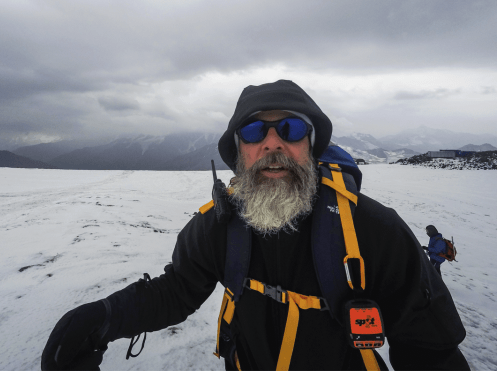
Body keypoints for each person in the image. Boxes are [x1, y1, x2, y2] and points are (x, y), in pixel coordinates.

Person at [42, 80, 469, 370]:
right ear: (238, 153)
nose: (272, 142)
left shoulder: (373, 232)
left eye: (290, 127)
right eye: (253, 131)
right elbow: (175, 291)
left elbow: (432, 351)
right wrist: (103, 318)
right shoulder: (217, 228)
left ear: (311, 146)